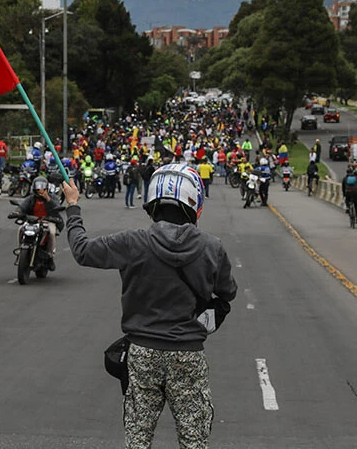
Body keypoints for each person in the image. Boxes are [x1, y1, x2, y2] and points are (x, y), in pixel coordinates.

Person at [61, 164, 237, 449]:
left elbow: (82, 251)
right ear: (195, 204)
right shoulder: (212, 247)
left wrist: (73, 206)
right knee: (195, 442)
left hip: (142, 354)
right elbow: (228, 292)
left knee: (138, 440)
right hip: (188, 355)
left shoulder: (131, 242)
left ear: (152, 204)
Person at [15, 176, 62, 270]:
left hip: (49, 220)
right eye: (38, 187)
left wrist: (48, 198)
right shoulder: (31, 198)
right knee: (20, 229)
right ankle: (21, 249)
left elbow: (57, 207)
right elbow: (23, 206)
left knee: (52, 233)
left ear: (46, 188)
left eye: (42, 187)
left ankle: (50, 256)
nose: (40, 189)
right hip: (32, 221)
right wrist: (17, 212)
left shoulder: (52, 197)